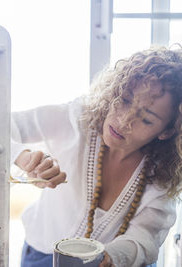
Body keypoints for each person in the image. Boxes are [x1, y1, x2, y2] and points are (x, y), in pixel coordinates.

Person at [11, 46, 182, 267]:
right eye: (125, 99)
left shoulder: (163, 176)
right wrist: (24, 159)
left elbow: (145, 238)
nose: (124, 121)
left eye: (146, 120)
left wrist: (110, 257)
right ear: (116, 90)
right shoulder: (76, 120)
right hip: (41, 256)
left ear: (167, 132)